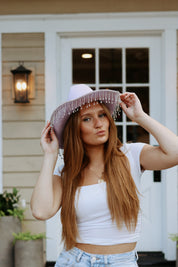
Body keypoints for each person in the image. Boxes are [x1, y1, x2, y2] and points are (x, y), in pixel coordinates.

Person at [30, 84, 178, 267]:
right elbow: (40, 211)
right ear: (75, 129)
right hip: (76, 261)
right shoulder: (66, 173)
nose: (98, 123)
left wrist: (140, 117)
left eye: (101, 115)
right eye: (87, 119)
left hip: (122, 262)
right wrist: (50, 155)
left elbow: (175, 152)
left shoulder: (130, 155)